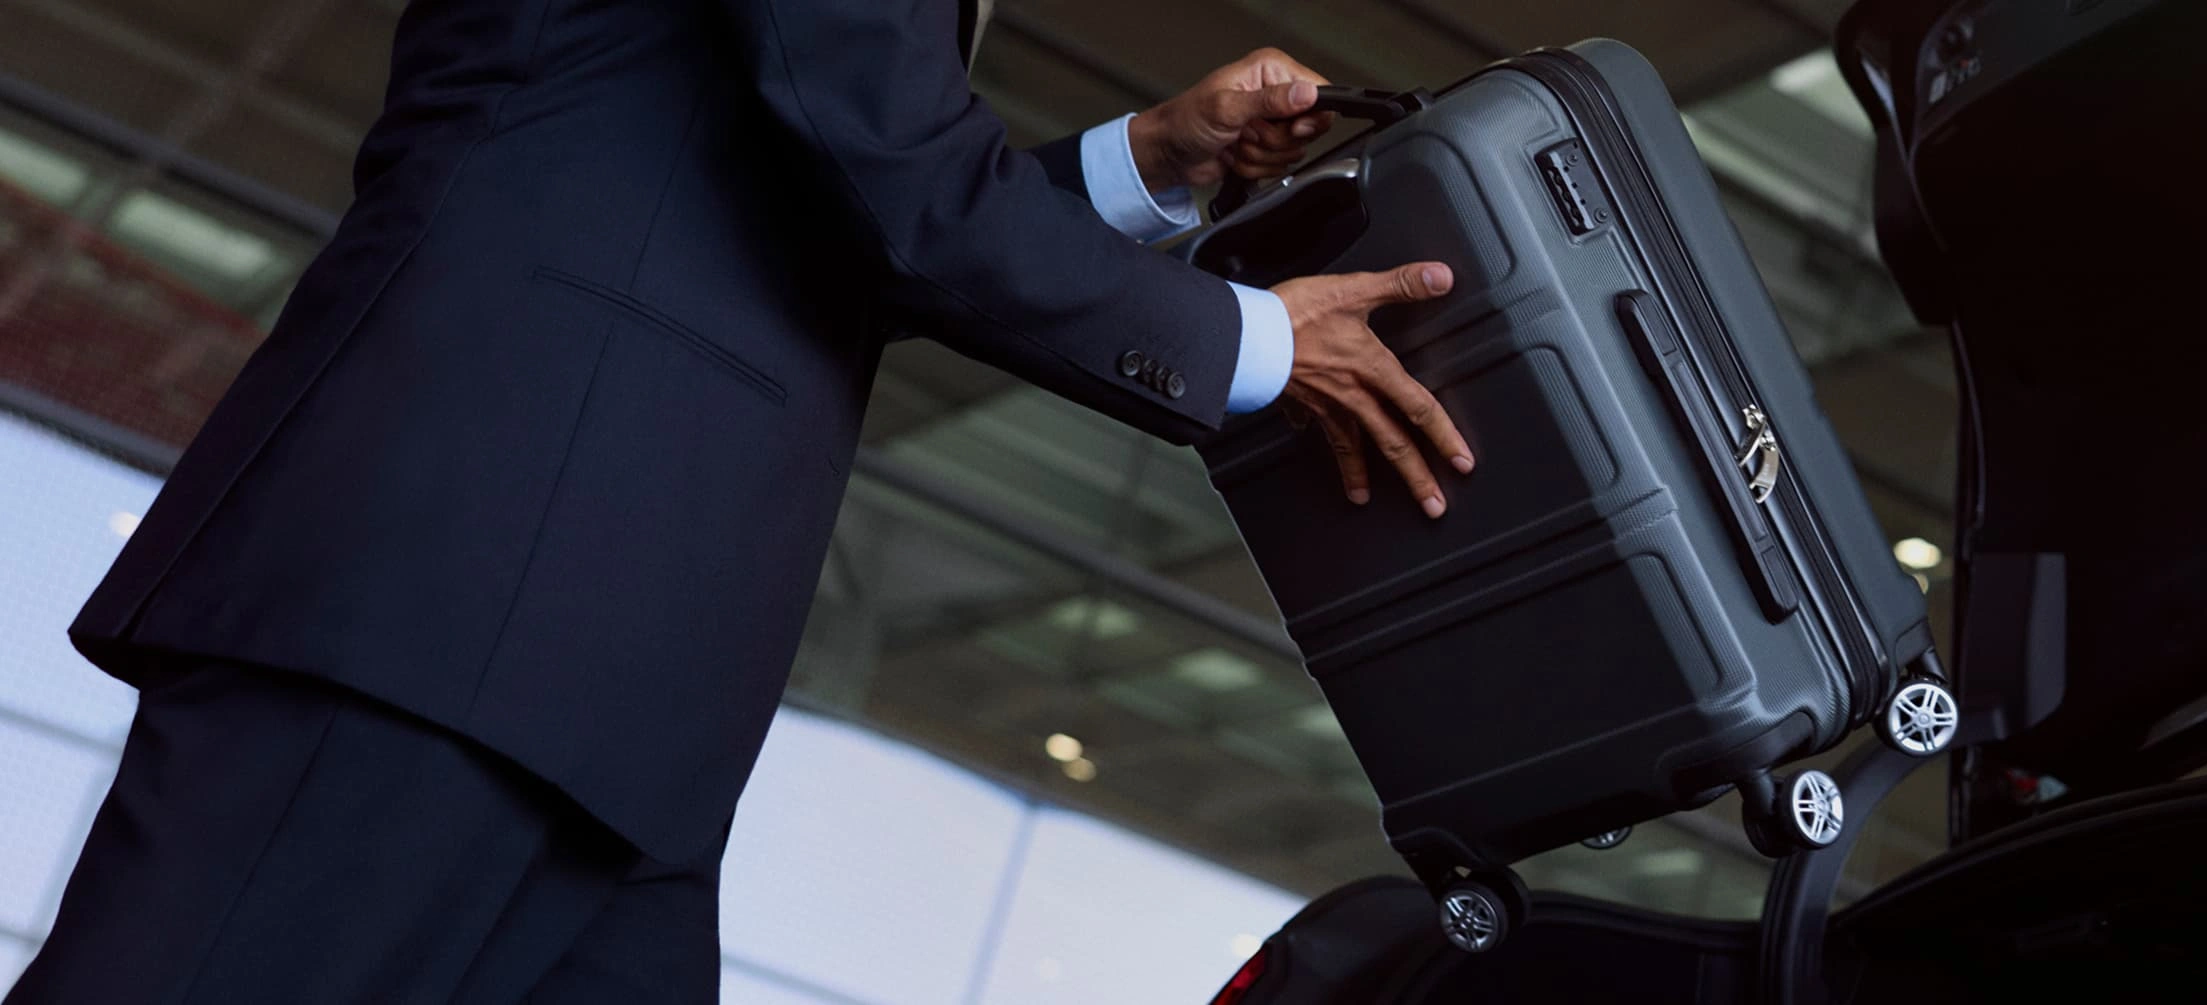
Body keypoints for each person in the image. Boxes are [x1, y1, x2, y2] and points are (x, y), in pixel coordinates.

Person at [4, 0, 1461, 999]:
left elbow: (818, 208)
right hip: (459, 605)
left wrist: (1139, 166)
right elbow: (888, 170)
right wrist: (1251, 342)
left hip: (618, 694)